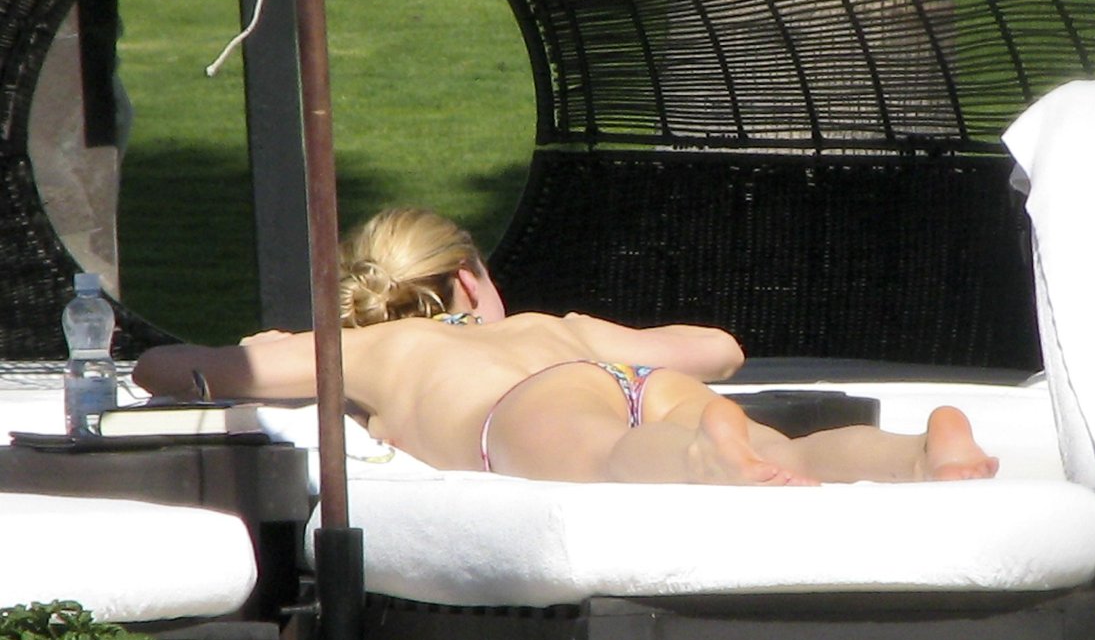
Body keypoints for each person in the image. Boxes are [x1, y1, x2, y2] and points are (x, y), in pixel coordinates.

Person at [132, 208, 997, 485]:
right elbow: (718, 348)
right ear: (471, 278)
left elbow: (167, 369)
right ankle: (921, 453)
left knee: (614, 457)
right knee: (788, 451)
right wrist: (595, 339)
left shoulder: (380, 350)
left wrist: (268, 345)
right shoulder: (553, 326)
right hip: (624, 373)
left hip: (520, 413)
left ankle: (703, 458)